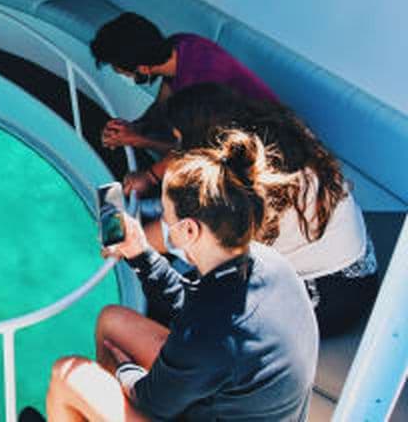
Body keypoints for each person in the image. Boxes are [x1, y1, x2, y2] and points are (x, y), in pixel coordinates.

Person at [26, 130, 318, 421]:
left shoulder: (212, 333)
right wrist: (140, 254)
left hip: (193, 404)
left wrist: (125, 370)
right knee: (112, 320)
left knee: (67, 376)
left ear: (189, 230)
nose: (162, 223)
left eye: (166, 216)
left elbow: (151, 401)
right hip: (227, 394)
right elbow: (195, 309)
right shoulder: (266, 263)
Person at [133, 83, 378, 335]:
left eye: (182, 142)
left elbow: (171, 234)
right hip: (360, 262)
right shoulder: (274, 130)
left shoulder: (239, 186)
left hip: (332, 298)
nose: (177, 152)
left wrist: (126, 242)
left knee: (174, 307)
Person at [90, 12, 278, 156]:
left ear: (143, 69)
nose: (122, 75)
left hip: (265, 145)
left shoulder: (201, 82)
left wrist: (139, 142)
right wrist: (134, 127)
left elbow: (196, 151)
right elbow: (162, 104)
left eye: (121, 71)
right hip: (222, 131)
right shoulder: (178, 46)